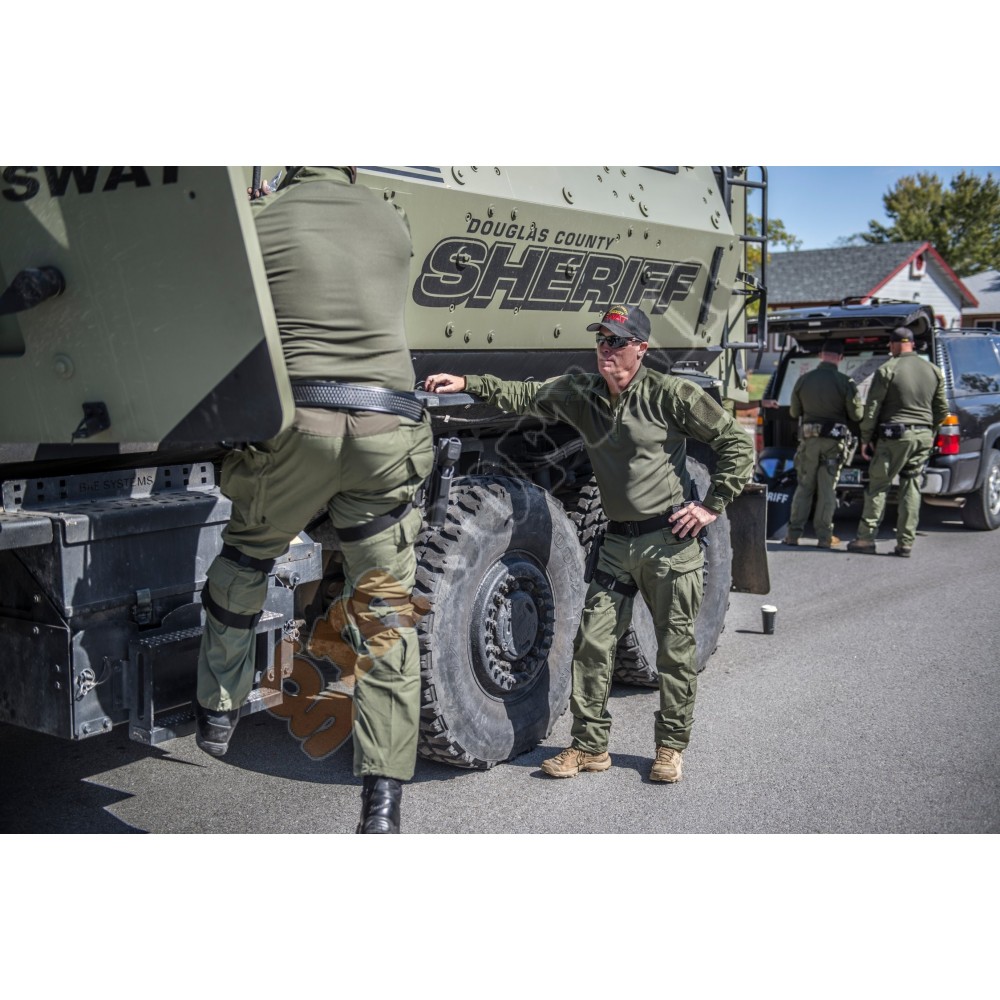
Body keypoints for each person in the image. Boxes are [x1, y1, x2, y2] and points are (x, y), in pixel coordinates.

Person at [195, 167, 434, 835]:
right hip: (388, 429)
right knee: (384, 610)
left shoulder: (263, 216)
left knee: (246, 559)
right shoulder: (390, 218)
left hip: (300, 426)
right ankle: (383, 801)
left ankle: (219, 711)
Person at [425, 304, 753, 783]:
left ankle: (669, 748)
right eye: (601, 340)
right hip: (617, 542)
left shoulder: (671, 395)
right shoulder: (583, 393)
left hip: (669, 543)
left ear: (641, 348)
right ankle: (589, 747)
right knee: (593, 645)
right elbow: (525, 395)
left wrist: (710, 506)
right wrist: (469, 382)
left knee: (675, 652)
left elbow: (736, 444)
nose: (605, 349)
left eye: (616, 341)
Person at [847, 326, 949, 557]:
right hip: (923, 437)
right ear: (911, 344)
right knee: (911, 485)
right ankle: (905, 543)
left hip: (895, 438)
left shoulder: (887, 369)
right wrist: (929, 430)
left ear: (894, 344)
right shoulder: (933, 370)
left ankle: (865, 539)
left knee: (878, 486)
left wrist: (865, 438)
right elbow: (942, 409)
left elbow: (872, 408)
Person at [782, 340, 863, 548]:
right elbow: (856, 415)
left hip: (809, 442)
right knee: (827, 490)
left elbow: (794, 412)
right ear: (841, 358)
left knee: (804, 488)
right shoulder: (845, 382)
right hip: (833, 443)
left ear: (820, 355)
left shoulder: (803, 380)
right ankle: (824, 537)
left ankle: (793, 534)